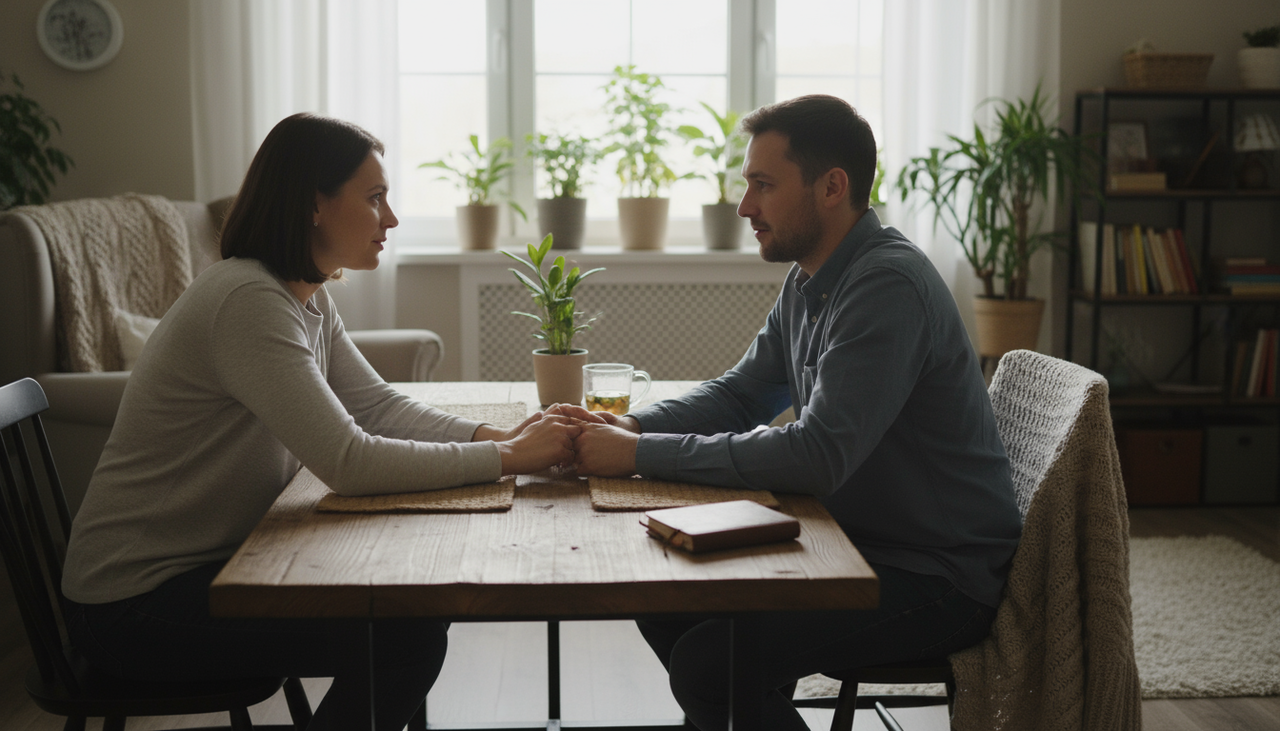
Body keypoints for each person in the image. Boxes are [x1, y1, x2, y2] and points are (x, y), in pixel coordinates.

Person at [60, 113, 581, 731]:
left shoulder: (303, 295)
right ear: (314, 205)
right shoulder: (248, 302)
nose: (390, 219)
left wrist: (495, 436)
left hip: (203, 572)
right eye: (375, 198)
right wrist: (509, 461)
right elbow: (349, 462)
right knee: (404, 637)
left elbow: (379, 406)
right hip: (134, 606)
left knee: (407, 615)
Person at [564, 95, 1022, 730]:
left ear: (832, 187)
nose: (746, 206)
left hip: (938, 576)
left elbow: (816, 457)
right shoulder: (813, 277)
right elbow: (742, 393)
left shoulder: (886, 286)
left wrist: (639, 456)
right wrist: (636, 426)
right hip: (856, 542)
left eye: (763, 185)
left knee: (708, 666)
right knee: (665, 599)